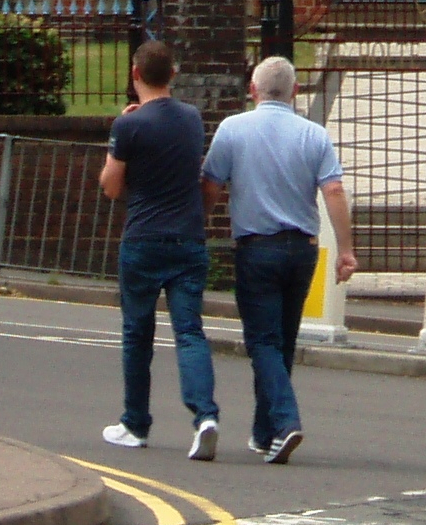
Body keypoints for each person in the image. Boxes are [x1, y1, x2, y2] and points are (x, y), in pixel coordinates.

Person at [200, 56, 351, 465]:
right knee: (281, 341)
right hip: (302, 249)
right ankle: (264, 433)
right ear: (295, 92)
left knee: (262, 342)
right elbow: (334, 192)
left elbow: (210, 186)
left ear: (253, 90)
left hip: (256, 248)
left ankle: (285, 423)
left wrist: (199, 228)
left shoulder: (233, 129)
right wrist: (347, 250)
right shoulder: (314, 135)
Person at [99, 38, 216, 458]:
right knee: (189, 331)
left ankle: (135, 423)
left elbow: (111, 187)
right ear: (173, 74)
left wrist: (120, 131)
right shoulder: (192, 119)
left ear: (135, 74)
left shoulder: (128, 126)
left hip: (144, 238)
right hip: (188, 238)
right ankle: (205, 416)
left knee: (137, 334)